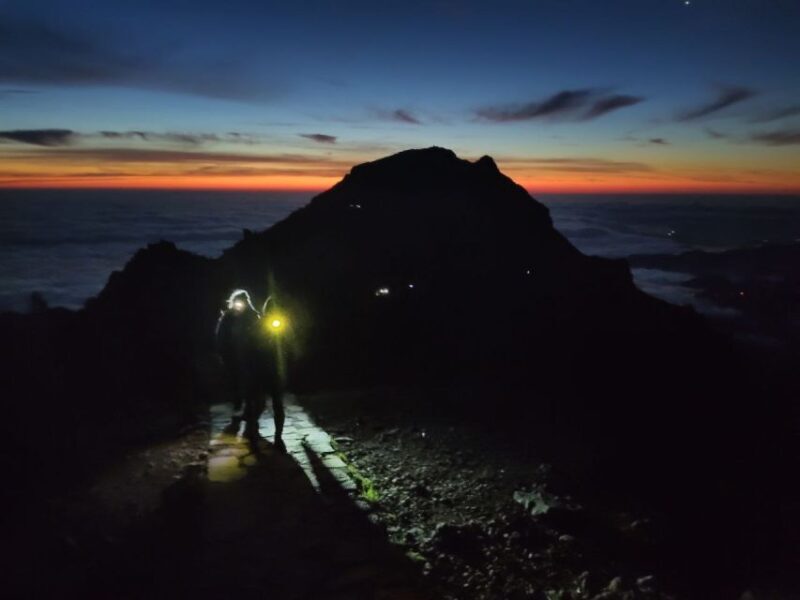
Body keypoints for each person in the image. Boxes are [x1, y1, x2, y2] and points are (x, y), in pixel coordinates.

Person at [215, 289, 285, 449]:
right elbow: (224, 338)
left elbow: (286, 346)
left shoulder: (256, 317)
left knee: (266, 401)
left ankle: (272, 435)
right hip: (242, 362)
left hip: (263, 367)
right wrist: (225, 355)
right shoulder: (229, 318)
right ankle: (247, 424)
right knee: (248, 396)